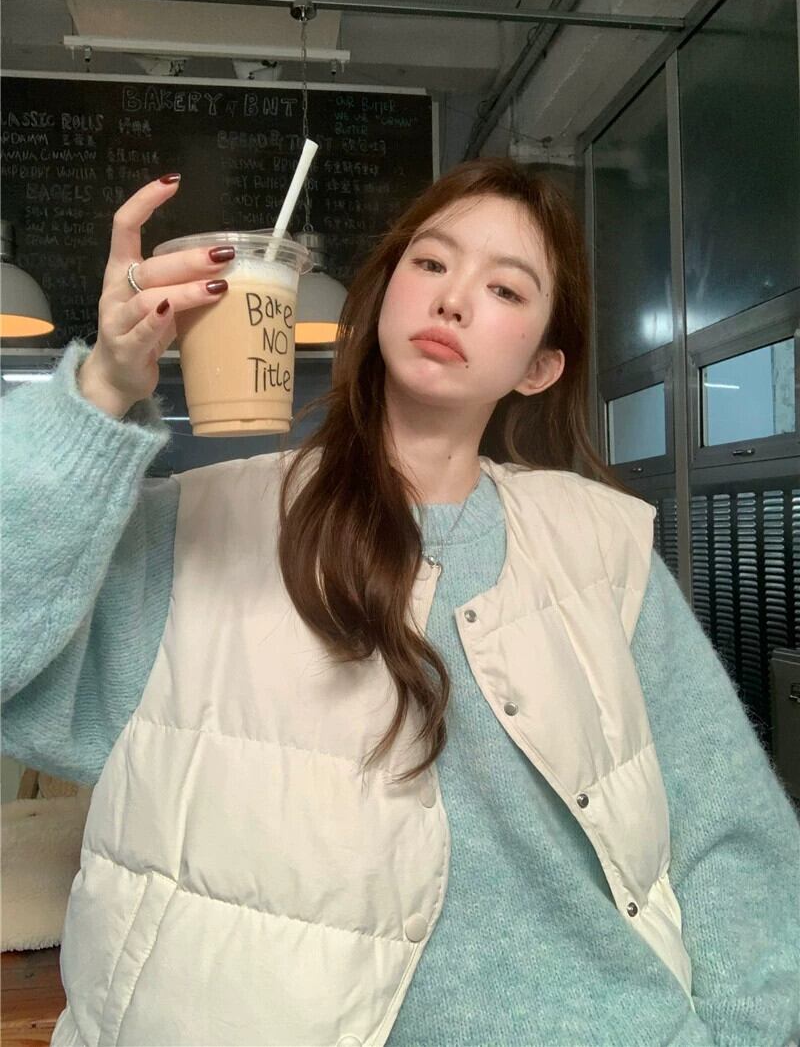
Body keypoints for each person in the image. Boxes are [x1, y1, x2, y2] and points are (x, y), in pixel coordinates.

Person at [1, 159, 798, 1047]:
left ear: (540, 366)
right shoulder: (203, 529)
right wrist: (102, 390)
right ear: (381, 296)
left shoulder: (602, 546)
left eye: (504, 288)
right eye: (430, 263)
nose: (453, 299)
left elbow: (732, 834)